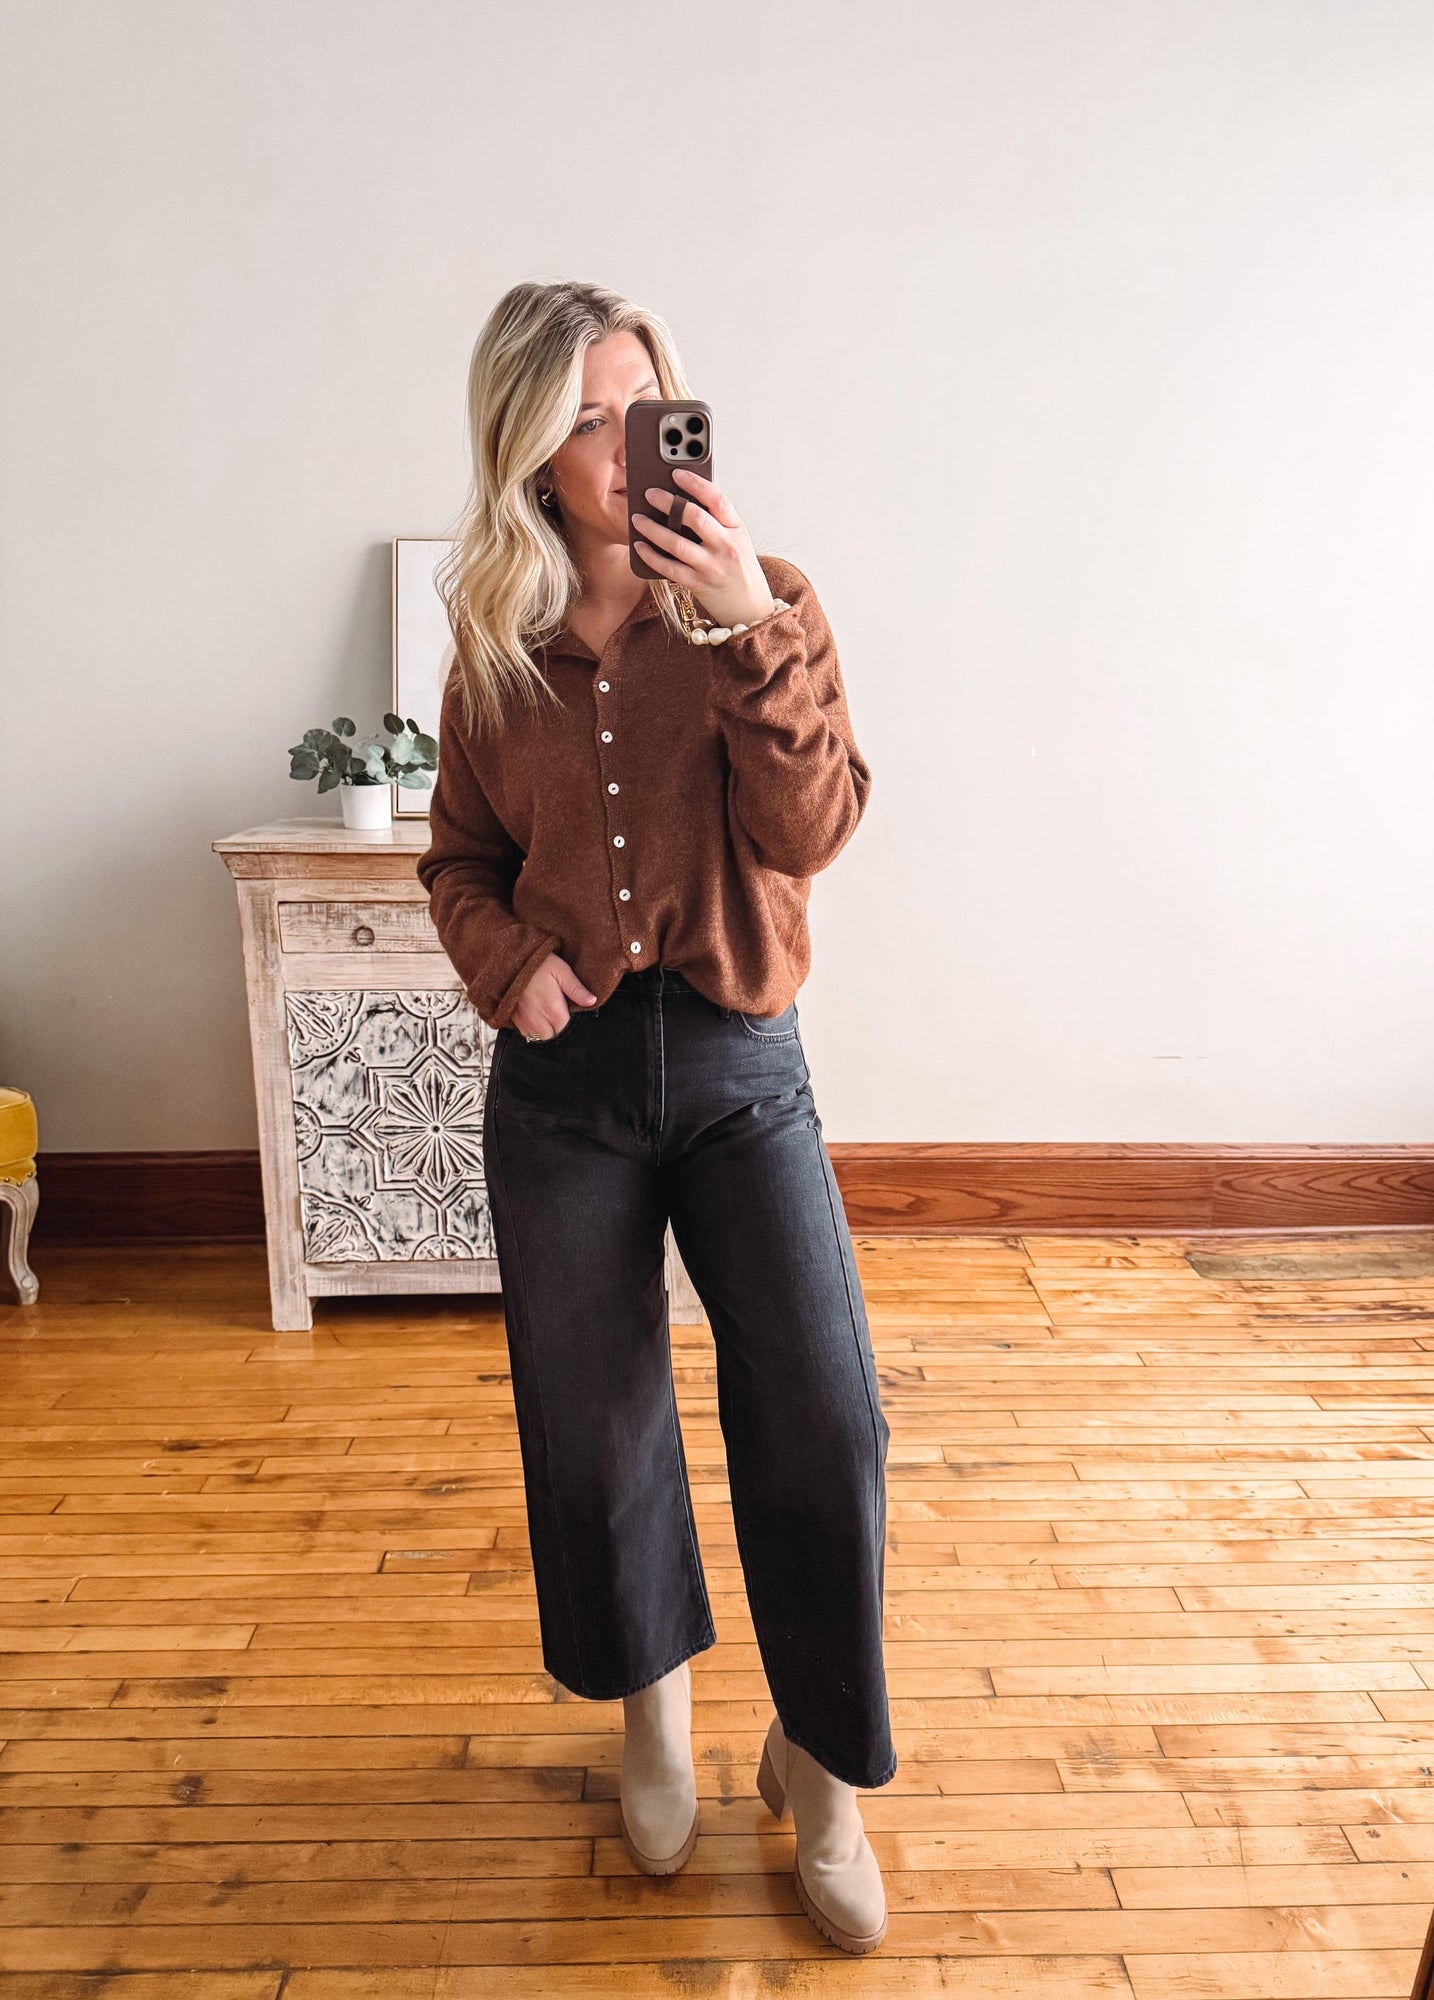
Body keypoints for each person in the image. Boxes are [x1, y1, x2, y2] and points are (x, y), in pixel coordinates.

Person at [416, 279, 893, 1955]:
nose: (624, 446)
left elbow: (815, 828)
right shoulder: (494, 650)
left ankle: (822, 1764)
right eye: (585, 419)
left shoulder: (766, 601)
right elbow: (457, 861)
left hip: (744, 1060)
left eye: (643, 406)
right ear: (529, 455)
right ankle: (655, 1718)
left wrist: (750, 619)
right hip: (567, 1086)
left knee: (824, 1417)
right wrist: (509, 970)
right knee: (598, 1419)